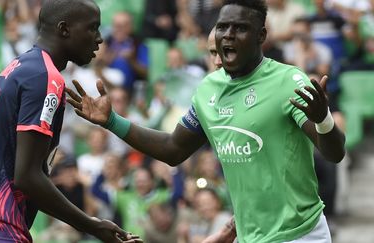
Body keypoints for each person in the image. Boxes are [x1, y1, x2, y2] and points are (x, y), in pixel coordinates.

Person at [67, 0, 346, 242]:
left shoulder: (288, 81)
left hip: (299, 234)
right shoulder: (209, 89)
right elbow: (173, 149)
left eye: (240, 28)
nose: (228, 35)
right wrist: (112, 121)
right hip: (249, 236)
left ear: (261, 35)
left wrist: (322, 120)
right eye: (223, 27)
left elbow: (334, 153)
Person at [0, 0, 142, 243]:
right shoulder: (46, 78)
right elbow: (27, 177)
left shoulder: (20, 65)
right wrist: (92, 225)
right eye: (92, 28)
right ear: (64, 29)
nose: (100, 38)